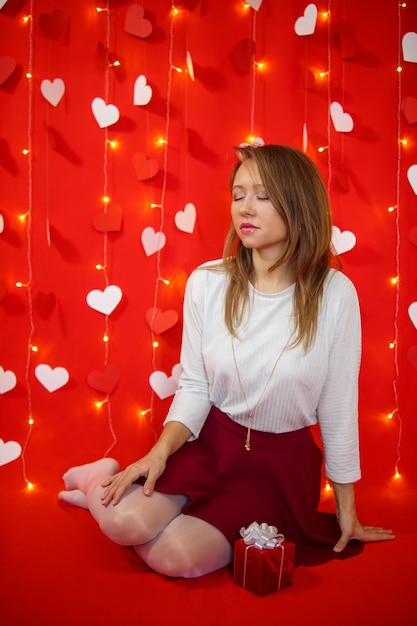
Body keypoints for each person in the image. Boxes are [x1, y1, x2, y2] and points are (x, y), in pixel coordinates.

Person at [59, 143, 394, 578]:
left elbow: (338, 407)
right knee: (126, 523)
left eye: (262, 194)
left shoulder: (334, 294)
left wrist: (347, 510)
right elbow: (195, 386)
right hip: (213, 444)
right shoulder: (208, 282)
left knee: (175, 558)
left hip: (280, 469)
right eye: (238, 195)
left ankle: (113, 498)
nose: (245, 209)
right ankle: (96, 477)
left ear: (299, 202)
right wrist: (160, 454)